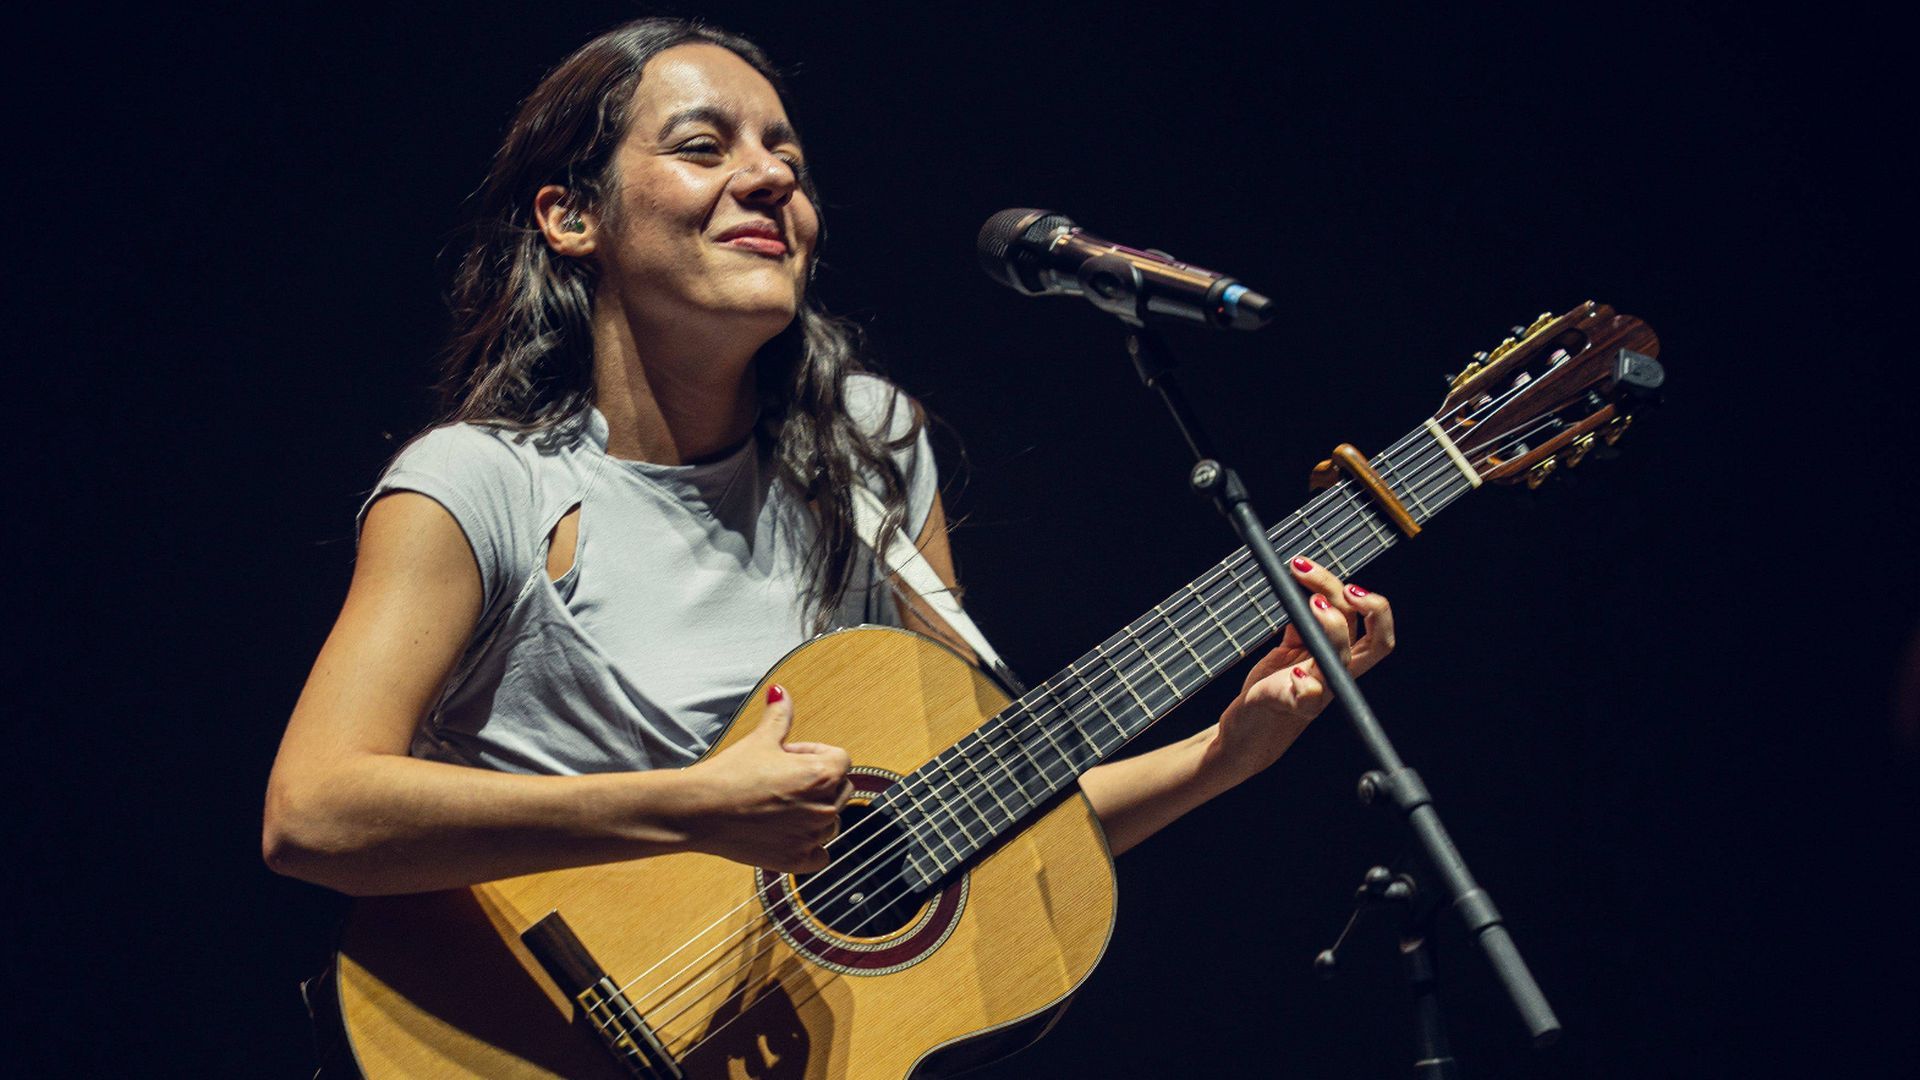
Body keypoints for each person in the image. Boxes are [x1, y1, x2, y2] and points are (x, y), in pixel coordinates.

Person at [262, 17, 1395, 901]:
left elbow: (961, 828)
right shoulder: (478, 486)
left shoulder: (871, 452)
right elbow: (312, 813)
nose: (769, 180)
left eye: (784, 155)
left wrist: (1222, 756)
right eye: (704, 148)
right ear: (571, 217)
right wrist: (690, 808)